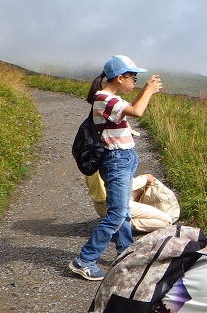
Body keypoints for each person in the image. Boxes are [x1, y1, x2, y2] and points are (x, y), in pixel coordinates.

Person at [69, 55, 163, 281]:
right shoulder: (104, 99)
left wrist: (145, 92)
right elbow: (137, 112)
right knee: (117, 213)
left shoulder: (112, 99)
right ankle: (84, 260)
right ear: (120, 78)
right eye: (133, 77)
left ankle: (124, 252)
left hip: (124, 158)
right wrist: (149, 91)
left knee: (125, 211)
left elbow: (130, 108)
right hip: (116, 160)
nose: (135, 82)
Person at [85, 171, 180, 233]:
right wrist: (144, 178)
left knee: (144, 186)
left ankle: (120, 219)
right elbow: (112, 190)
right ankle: (120, 223)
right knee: (166, 221)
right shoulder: (105, 164)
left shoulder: (93, 158)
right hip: (113, 204)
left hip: (104, 204)